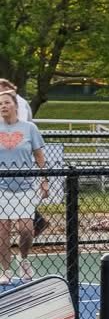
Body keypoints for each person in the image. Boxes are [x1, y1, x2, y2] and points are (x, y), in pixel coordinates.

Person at [0, 90, 48, 282]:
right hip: (1, 188)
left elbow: (39, 156)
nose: (3, 106)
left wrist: (45, 180)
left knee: (26, 230)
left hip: (25, 187)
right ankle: (5, 270)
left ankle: (24, 259)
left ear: (15, 106)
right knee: (2, 232)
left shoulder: (29, 128)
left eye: (6, 103)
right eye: (0, 104)